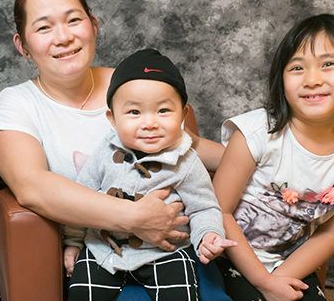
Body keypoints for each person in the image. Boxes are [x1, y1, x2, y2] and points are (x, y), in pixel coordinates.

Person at [0, 0, 231, 300]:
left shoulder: (129, 83)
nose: (63, 37)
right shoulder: (16, 103)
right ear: (22, 45)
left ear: (93, 25)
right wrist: (136, 217)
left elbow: (188, 146)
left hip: (167, 248)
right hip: (92, 255)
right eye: (44, 28)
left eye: (74, 20)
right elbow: (32, 187)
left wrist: (262, 158)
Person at [213, 14, 334, 301]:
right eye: (296, 68)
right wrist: (261, 282)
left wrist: (277, 280)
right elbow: (219, 211)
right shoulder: (256, 132)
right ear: (281, 81)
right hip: (226, 254)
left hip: (288, 262)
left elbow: (329, 235)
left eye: (328, 64)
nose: (312, 79)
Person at [63, 49, 235, 301]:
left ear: (183, 115)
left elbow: (203, 208)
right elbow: (81, 199)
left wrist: (209, 235)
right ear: (112, 118)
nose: (149, 123)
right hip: (104, 246)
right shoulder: (104, 152)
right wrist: (73, 243)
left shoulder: (186, 161)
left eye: (163, 111)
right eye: (134, 112)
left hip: (164, 251)